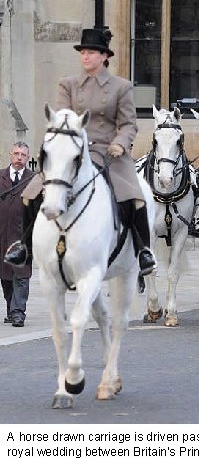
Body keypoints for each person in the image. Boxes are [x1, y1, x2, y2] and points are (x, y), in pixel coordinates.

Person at [4, 28, 157, 276]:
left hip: (111, 152)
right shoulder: (68, 85)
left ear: (104, 56)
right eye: (83, 52)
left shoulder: (122, 87)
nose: (85, 57)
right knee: (30, 192)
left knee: (133, 195)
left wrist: (120, 142)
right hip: (74, 149)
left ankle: (143, 251)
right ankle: (25, 246)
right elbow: (62, 118)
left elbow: (129, 123)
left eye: (91, 52)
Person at [0, 142, 34, 327]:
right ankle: (11, 309)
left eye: (23, 154)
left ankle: (18, 312)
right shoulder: (0, 176)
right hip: (2, 235)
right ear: (10, 155)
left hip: (23, 236)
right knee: (5, 276)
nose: (19, 157)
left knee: (21, 275)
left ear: (28, 158)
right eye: (16, 153)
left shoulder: (33, 179)